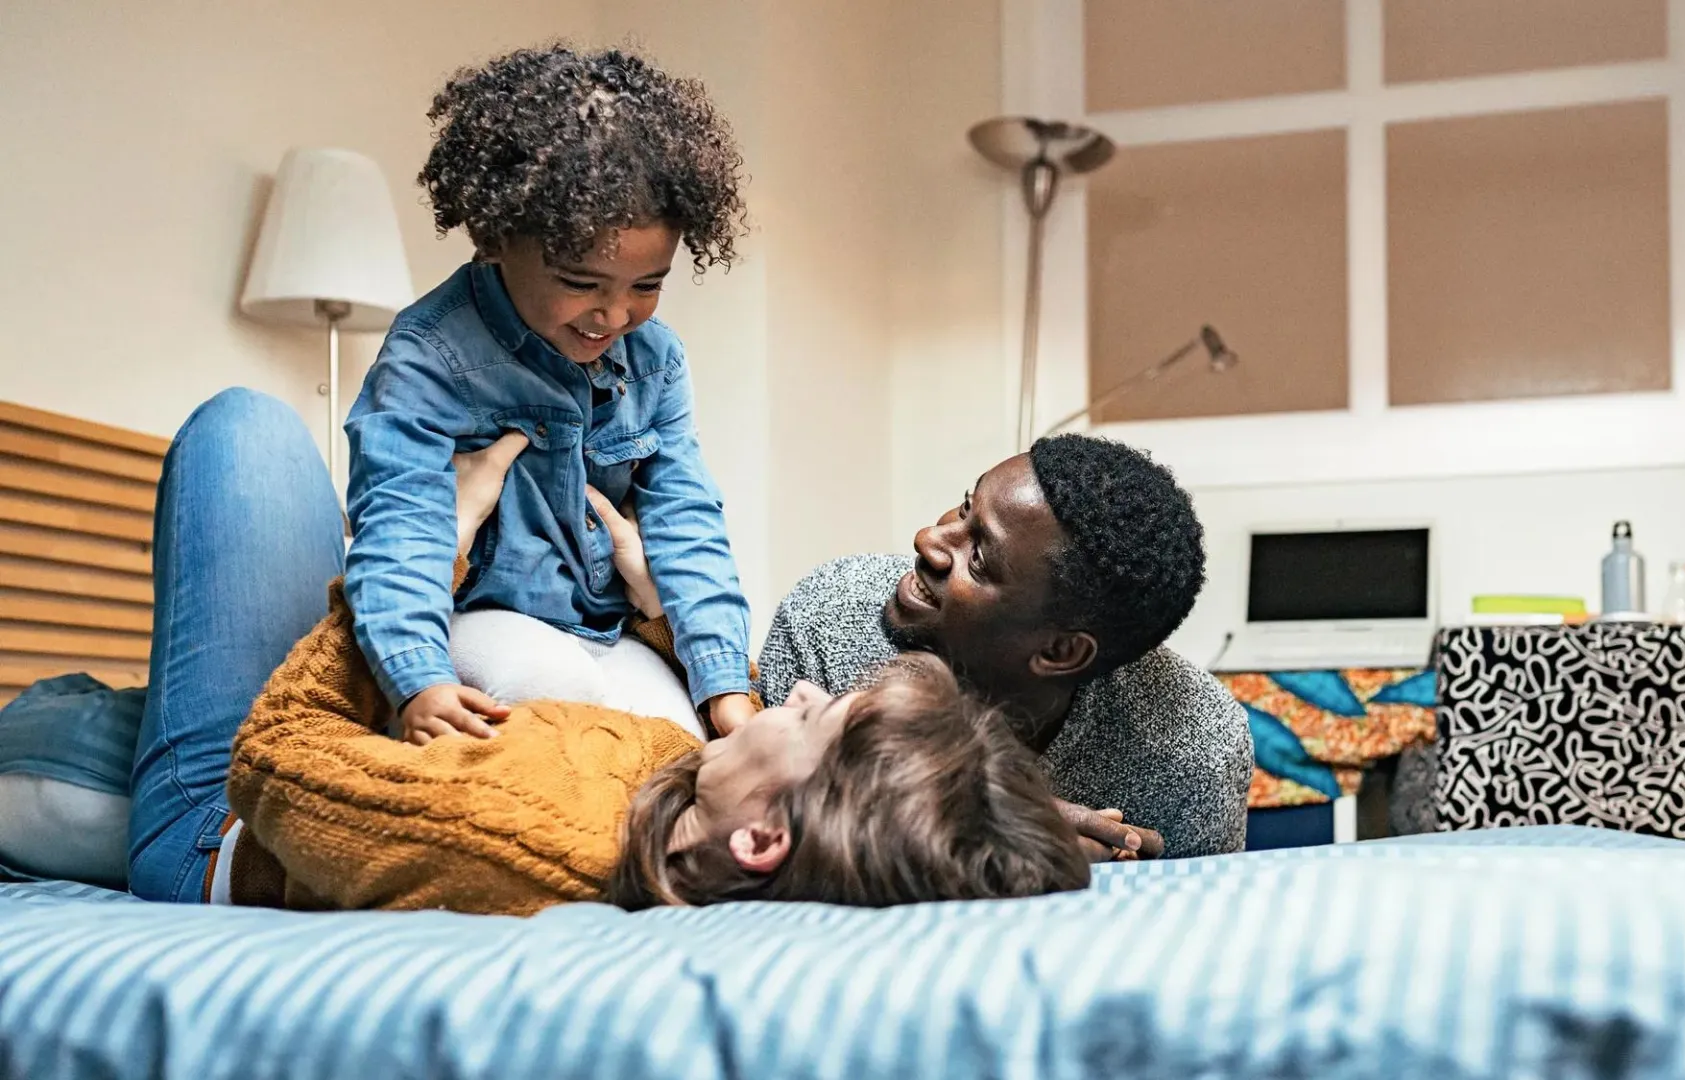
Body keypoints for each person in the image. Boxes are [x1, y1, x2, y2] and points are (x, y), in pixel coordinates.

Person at [128, 389, 1088, 913]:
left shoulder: (513, 832)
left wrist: (431, 561)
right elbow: (732, 743)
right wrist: (656, 612)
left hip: (222, 824)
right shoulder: (710, 818)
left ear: (763, 840)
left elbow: (278, 758)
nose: (793, 686)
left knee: (244, 432)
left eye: (811, 713)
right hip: (395, 732)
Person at [346, 44, 758, 751]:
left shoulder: (656, 362)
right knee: (547, 698)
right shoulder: (429, 357)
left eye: (646, 286)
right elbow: (403, 529)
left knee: (681, 747)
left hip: (607, 628)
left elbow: (687, 521)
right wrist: (417, 679)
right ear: (498, 237)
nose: (614, 316)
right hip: (483, 622)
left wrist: (727, 688)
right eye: (582, 282)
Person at [758, 434, 1253, 860]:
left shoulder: (1193, 748)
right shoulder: (831, 619)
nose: (929, 539)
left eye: (978, 559)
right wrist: (993, 829)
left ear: (1060, 653)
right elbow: (752, 843)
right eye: (966, 506)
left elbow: (1192, 936)